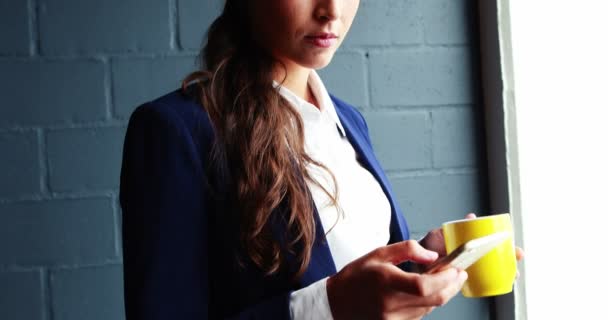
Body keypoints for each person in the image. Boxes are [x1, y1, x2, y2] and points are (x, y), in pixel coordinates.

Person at [119, 0, 523, 319]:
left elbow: (349, 280)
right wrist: (329, 307)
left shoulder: (347, 120)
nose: (332, 9)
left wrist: (422, 259)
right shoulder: (175, 130)